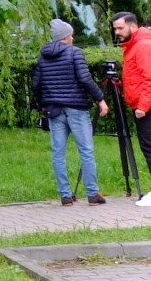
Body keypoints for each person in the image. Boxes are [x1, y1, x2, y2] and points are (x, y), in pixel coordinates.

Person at [33, 19, 108, 206]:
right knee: (86, 150)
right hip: (76, 108)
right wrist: (100, 99)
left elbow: (36, 84)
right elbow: (84, 78)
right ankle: (92, 194)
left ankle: (65, 196)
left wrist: (43, 104)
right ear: (65, 37)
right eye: (71, 34)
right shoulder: (75, 53)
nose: (73, 37)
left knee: (58, 153)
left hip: (54, 110)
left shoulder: (43, 56)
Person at [112, 12, 151, 205]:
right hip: (143, 104)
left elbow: (149, 78)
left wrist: (143, 106)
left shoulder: (142, 46)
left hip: (147, 107)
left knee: (149, 147)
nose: (116, 32)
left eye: (120, 28)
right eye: (115, 28)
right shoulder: (134, 45)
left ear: (132, 26)